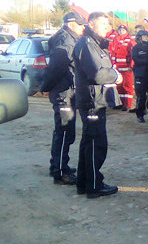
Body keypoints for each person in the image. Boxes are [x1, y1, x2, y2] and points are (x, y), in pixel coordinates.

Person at [73, 12, 122, 198]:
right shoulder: (86, 44)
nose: (106, 27)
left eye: (107, 24)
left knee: (89, 142)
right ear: (91, 24)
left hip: (96, 100)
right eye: (102, 23)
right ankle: (94, 185)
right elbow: (97, 74)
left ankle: (84, 183)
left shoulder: (94, 44)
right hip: (92, 101)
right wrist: (116, 76)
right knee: (96, 143)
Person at [41, 12, 86, 185]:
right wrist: (46, 87)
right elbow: (57, 68)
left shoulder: (68, 38)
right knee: (65, 131)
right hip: (63, 93)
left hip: (66, 91)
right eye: (80, 24)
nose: (83, 27)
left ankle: (59, 165)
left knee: (65, 131)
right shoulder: (66, 40)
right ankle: (59, 171)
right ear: (71, 23)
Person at [131, 30, 148, 123]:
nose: (145, 38)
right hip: (141, 75)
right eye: (143, 36)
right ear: (139, 37)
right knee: (141, 96)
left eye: (147, 36)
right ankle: (140, 114)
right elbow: (136, 60)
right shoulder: (136, 48)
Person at [109, 24, 135, 111]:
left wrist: (131, 65)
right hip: (117, 67)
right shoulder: (115, 40)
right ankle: (119, 103)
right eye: (120, 30)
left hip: (126, 68)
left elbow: (133, 54)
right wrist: (112, 64)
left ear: (126, 31)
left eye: (123, 30)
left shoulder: (130, 41)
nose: (121, 31)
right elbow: (112, 53)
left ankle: (127, 104)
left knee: (127, 86)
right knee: (118, 86)